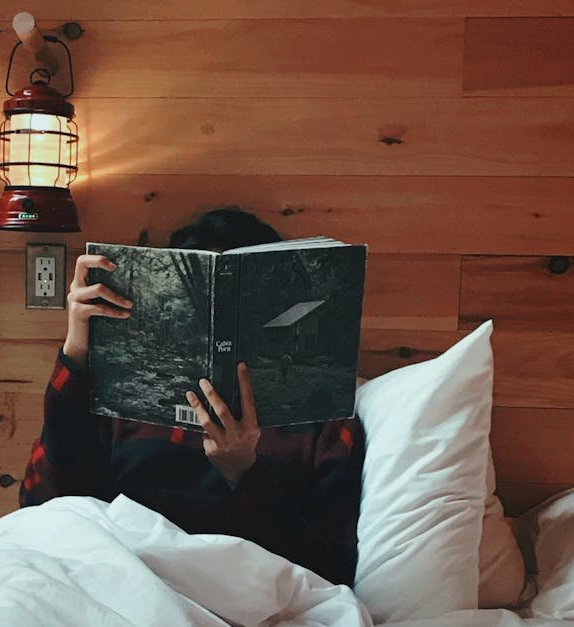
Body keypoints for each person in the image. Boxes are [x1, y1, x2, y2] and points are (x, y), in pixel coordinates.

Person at [18, 208, 367, 587]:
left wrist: (244, 474)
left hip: (242, 596)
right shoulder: (125, 394)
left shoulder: (321, 413)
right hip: (122, 583)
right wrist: (77, 352)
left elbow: (331, 570)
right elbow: (44, 506)